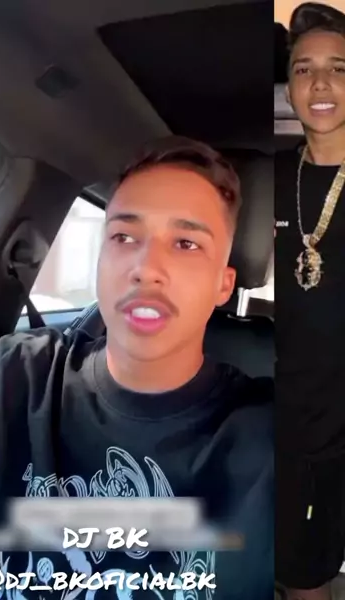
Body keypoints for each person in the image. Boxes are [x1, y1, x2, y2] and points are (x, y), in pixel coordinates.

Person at [0, 136, 273, 599]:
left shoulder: (268, 436)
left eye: (186, 243)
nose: (146, 267)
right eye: (124, 237)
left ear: (223, 284)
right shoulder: (21, 376)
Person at [275, 3, 345, 600]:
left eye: (339, 69)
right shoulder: (273, 178)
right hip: (299, 424)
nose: (320, 83)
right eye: (304, 69)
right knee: (304, 579)